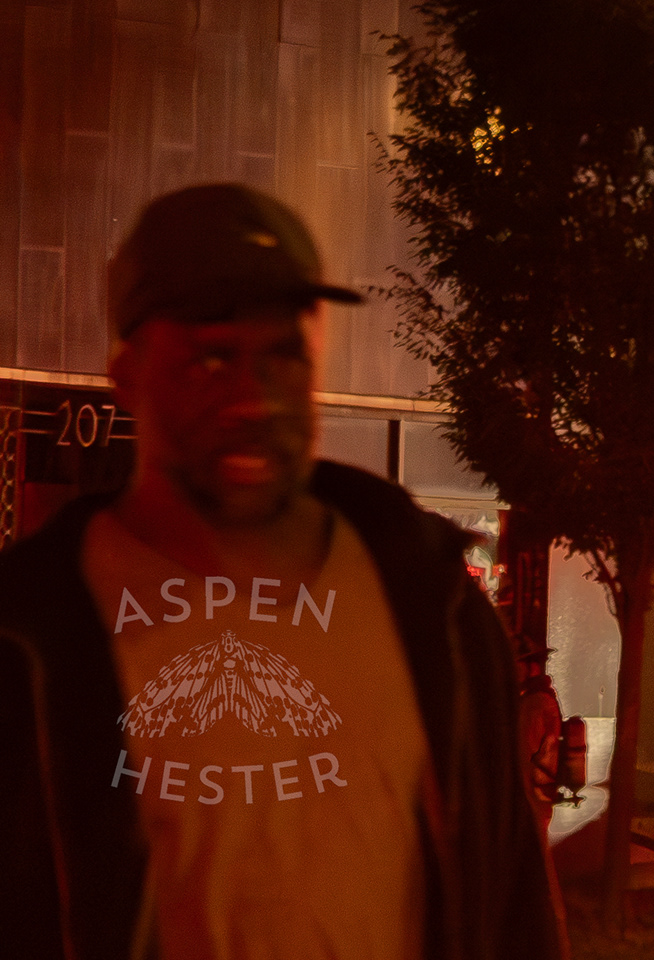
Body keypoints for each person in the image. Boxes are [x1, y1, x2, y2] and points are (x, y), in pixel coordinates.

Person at [0, 184, 565, 960]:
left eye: (283, 354)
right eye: (212, 357)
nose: (253, 395)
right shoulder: (28, 644)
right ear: (126, 377)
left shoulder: (431, 610)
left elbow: (511, 912)